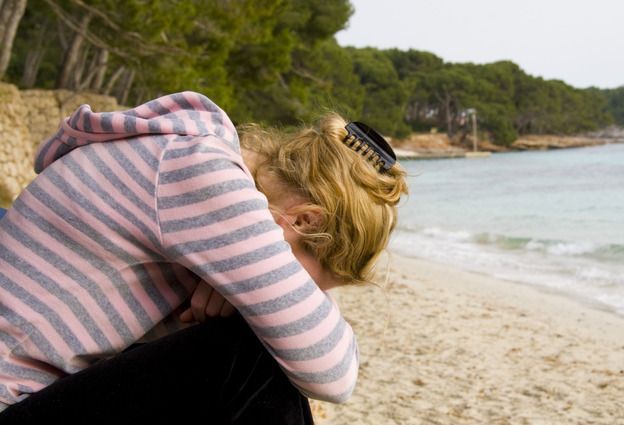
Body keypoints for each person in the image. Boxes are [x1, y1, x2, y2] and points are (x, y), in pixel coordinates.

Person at [0, 91, 407, 422]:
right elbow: (335, 375)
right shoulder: (201, 172)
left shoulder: (183, 154)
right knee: (252, 355)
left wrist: (246, 300)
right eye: (308, 283)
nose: (297, 290)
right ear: (302, 221)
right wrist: (264, 309)